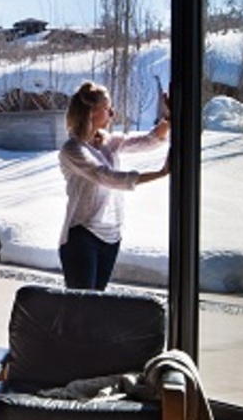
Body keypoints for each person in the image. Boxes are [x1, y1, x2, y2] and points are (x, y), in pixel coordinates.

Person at [58, 80, 170, 290]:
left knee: (96, 308)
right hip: (82, 235)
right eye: (107, 108)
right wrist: (160, 173)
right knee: (81, 309)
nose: (113, 113)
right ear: (91, 111)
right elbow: (106, 176)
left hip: (111, 237)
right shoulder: (72, 149)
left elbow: (147, 140)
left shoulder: (108, 141)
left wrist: (170, 119)